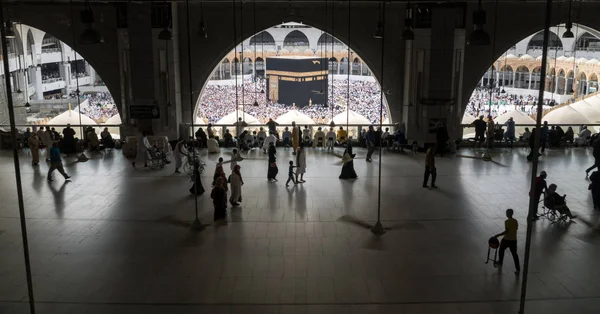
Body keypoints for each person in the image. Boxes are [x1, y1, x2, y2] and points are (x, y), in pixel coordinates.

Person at [493, 209, 521, 276]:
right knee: (514, 255)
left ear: (508, 214)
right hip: (514, 240)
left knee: (501, 251)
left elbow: (506, 231)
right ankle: (518, 269)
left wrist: (497, 235)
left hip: (506, 239)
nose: (506, 213)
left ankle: (500, 262)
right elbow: (516, 228)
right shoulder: (515, 221)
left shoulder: (507, 221)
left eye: (506, 213)